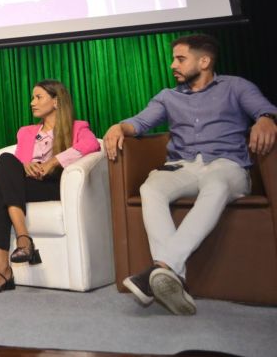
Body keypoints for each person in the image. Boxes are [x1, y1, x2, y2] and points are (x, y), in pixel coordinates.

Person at [103, 34, 277, 315]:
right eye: (173, 59)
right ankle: (171, 278)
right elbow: (140, 122)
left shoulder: (236, 86)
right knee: (151, 188)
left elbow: (265, 110)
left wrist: (266, 119)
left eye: (180, 59)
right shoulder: (167, 96)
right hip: (182, 166)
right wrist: (119, 127)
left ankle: (161, 268)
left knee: (216, 183)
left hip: (227, 165)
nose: (173, 65)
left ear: (204, 61)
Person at [0, 80, 100, 294]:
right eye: (32, 97)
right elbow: (17, 163)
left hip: (53, 185)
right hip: (27, 184)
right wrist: (25, 166)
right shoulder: (26, 132)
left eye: (38, 97)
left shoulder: (78, 127)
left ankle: (2, 267)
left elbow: (92, 145)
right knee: (1, 169)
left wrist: (53, 162)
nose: (32, 102)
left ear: (56, 101)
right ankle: (22, 241)